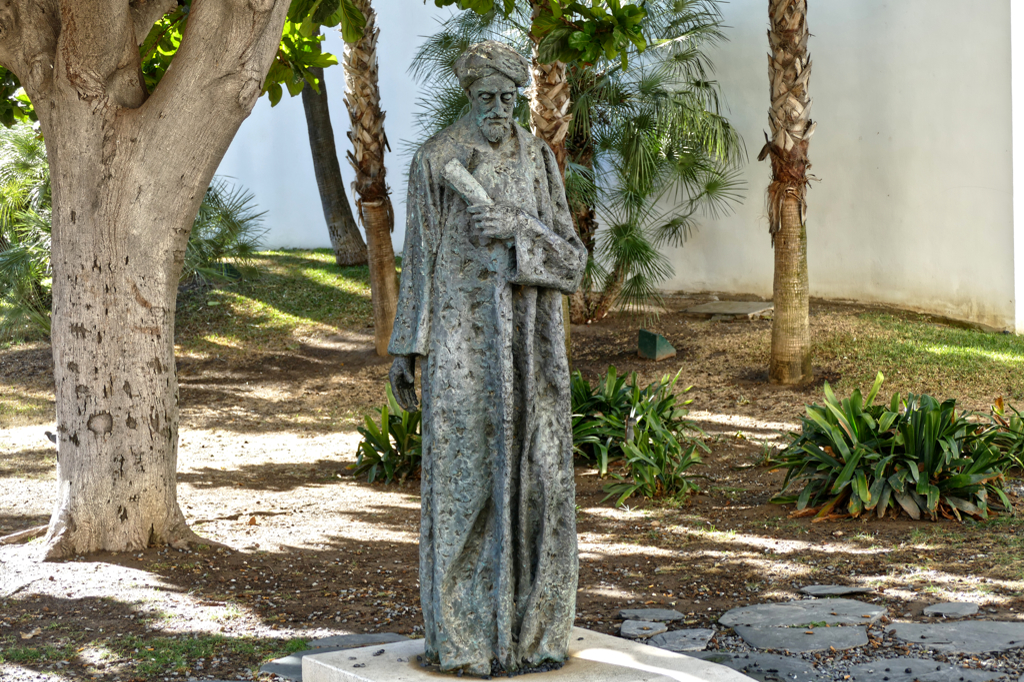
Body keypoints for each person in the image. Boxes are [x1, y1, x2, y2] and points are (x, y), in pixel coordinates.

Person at [388, 40, 587, 677]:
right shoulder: (436, 161)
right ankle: (466, 641)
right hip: (461, 345)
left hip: (530, 347)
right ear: (468, 96)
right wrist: (406, 348)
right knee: (463, 485)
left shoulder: (537, 161)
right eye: (488, 98)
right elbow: (416, 260)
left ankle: (535, 636)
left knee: (539, 482)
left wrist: (519, 232)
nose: (500, 108)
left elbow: (574, 262)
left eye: (509, 97)